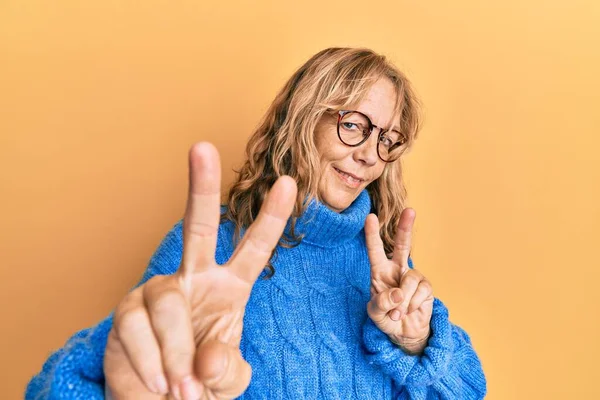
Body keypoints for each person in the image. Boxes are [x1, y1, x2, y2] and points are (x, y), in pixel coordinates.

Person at [26, 47, 487, 399]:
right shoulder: (213, 249)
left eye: (388, 139)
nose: (370, 154)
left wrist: (415, 342)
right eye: (355, 124)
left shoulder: (382, 263)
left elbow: (471, 389)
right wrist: (127, 385)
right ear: (305, 119)